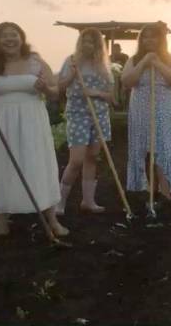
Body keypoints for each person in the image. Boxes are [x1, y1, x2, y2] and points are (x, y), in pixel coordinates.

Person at [0, 21, 69, 243]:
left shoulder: (35, 61)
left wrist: (45, 88)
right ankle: (1, 225)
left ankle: (52, 220)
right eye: (4, 36)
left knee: (37, 165)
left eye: (14, 35)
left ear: (22, 38)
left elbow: (55, 93)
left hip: (31, 121)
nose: (9, 39)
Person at [121, 22, 171, 201]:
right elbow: (127, 81)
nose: (149, 40)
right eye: (145, 37)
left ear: (161, 39)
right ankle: (147, 188)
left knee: (162, 147)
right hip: (141, 108)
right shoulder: (133, 60)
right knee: (144, 148)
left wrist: (157, 63)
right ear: (141, 40)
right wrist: (144, 62)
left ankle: (165, 191)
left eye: (153, 36)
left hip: (163, 108)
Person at [56, 27, 115, 214]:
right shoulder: (71, 61)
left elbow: (112, 97)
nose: (88, 44)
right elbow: (60, 86)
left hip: (99, 115)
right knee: (76, 160)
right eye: (85, 41)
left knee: (92, 158)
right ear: (80, 43)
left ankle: (88, 201)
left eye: (92, 41)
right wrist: (73, 74)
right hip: (78, 114)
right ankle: (60, 203)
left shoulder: (104, 65)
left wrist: (95, 93)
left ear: (98, 45)